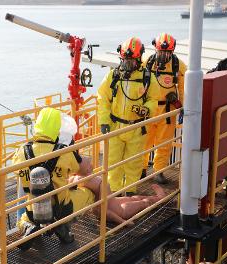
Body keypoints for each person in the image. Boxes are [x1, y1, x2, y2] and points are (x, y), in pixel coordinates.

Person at [12, 107, 95, 250]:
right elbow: (82, 169)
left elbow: (15, 171)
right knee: (89, 195)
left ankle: (28, 226)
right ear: (57, 129)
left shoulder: (21, 151)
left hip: (34, 210)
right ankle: (62, 227)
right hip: (62, 209)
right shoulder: (63, 151)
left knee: (23, 219)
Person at [97, 37, 160, 195]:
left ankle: (130, 191)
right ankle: (115, 193)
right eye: (125, 60)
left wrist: (146, 109)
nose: (127, 64)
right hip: (115, 126)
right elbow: (103, 99)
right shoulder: (113, 76)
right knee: (113, 162)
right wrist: (104, 121)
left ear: (139, 59)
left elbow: (154, 99)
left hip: (137, 128)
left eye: (131, 61)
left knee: (134, 162)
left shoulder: (147, 78)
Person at [142, 33, 187, 184]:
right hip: (149, 109)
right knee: (144, 141)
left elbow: (182, 87)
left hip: (168, 110)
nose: (164, 55)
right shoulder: (147, 62)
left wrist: (182, 106)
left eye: (167, 52)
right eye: (161, 51)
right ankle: (141, 169)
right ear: (156, 48)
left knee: (164, 143)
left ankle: (159, 171)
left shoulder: (178, 65)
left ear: (172, 51)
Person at [70, 159, 167, 225]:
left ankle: (158, 197)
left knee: (134, 198)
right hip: (119, 211)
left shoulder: (75, 178)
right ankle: (160, 199)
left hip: (114, 202)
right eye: (89, 163)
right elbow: (104, 211)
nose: (92, 164)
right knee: (144, 203)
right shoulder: (98, 183)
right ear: (87, 169)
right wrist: (123, 222)